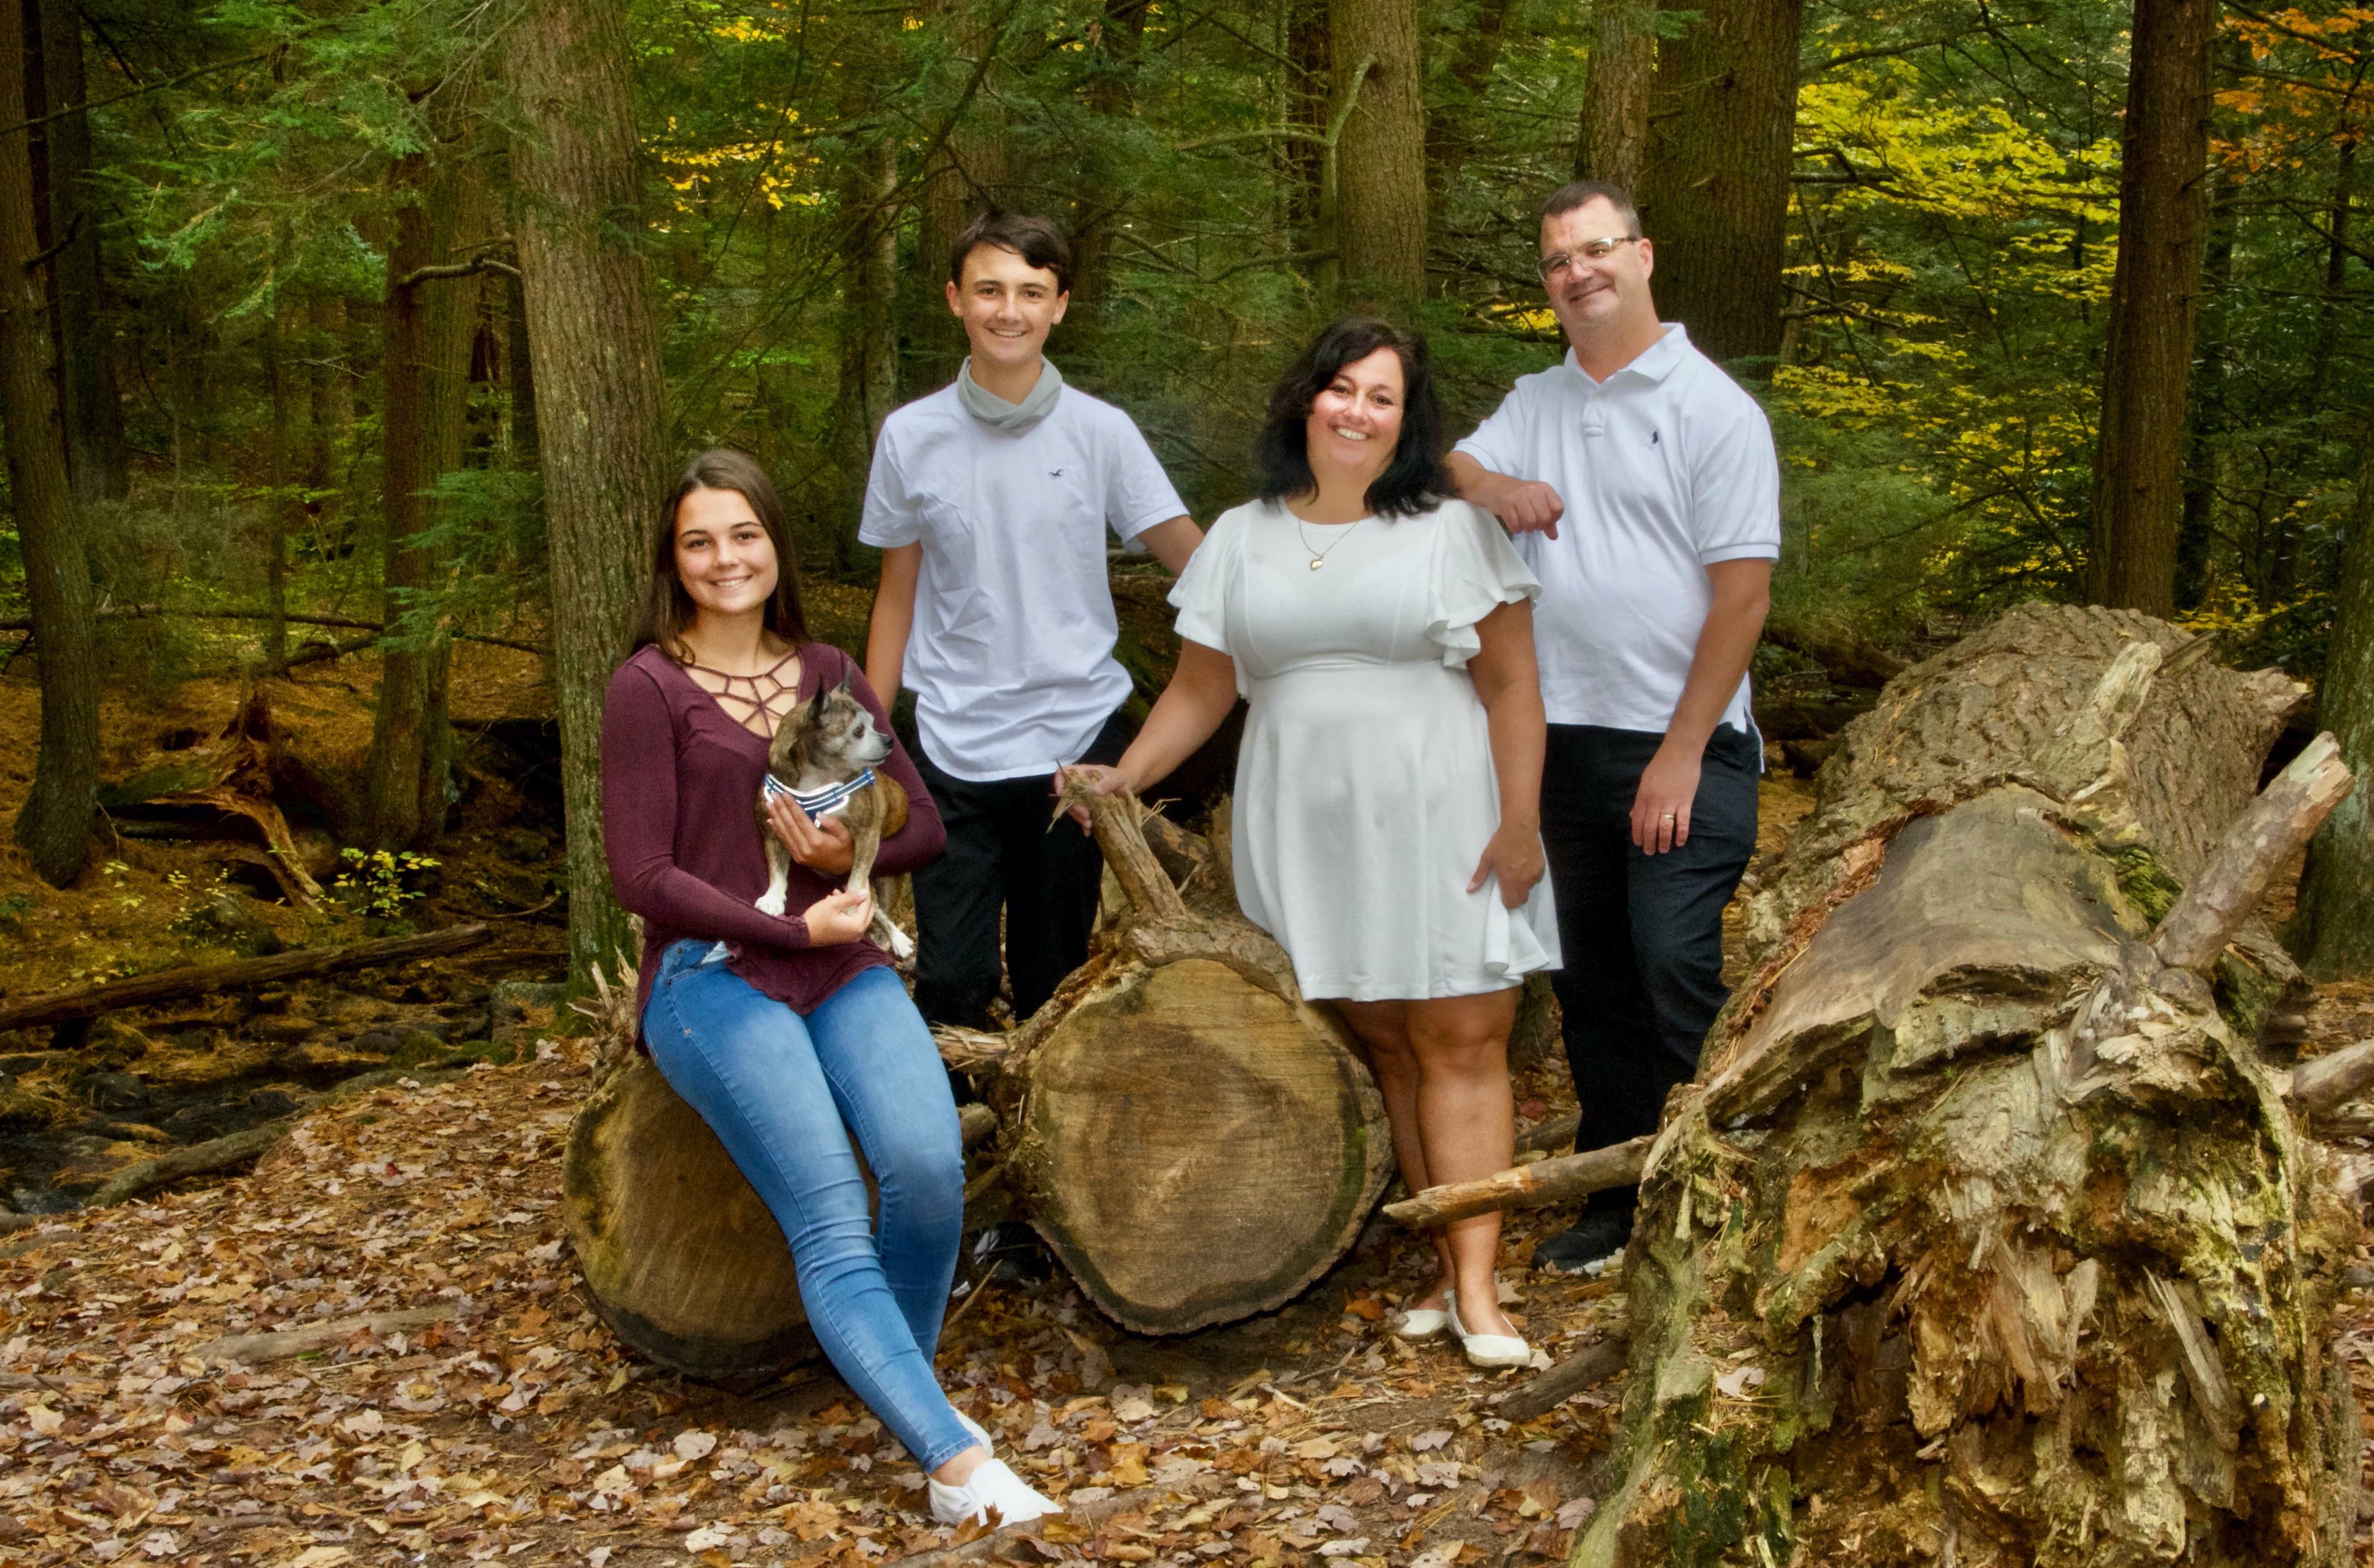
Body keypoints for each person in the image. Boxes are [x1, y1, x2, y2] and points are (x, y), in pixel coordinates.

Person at [1066, 320, 1557, 1367]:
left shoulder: (1453, 531)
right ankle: (1440, 1264)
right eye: (1341, 389)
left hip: (1443, 810)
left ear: (1406, 422)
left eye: (1381, 397)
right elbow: (1204, 687)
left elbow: (1513, 684)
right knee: (1385, 1040)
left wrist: (1521, 823)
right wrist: (1125, 777)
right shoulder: (1241, 536)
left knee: (1462, 1039)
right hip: (1304, 821)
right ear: (1307, 402)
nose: (1356, 412)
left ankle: (1480, 1288)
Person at [601, 450, 1059, 1528]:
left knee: (927, 1165)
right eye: (699, 540)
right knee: (830, 1212)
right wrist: (778, 917)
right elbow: (641, 873)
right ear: (673, 560)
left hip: (839, 961)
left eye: (744, 534)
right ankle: (953, 1460)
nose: (726, 558)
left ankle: (904, 1405)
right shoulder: (649, 685)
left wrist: (833, 861)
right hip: (711, 976)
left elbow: (928, 826)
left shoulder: (829, 672)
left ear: (775, 546)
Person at [1446, 180, 1779, 1274]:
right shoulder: (1536, 398)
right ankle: (1618, 1189)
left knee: (1672, 961)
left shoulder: (1710, 407)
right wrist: (1495, 484)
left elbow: (1741, 598)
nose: (1577, 273)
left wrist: (1680, 753)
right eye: (1556, 262)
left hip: (1683, 743)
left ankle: (1719, 1192)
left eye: (1595, 251)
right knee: (1587, 976)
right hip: (1559, 739)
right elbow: (1444, 462)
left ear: (1642, 256)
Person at [860, 210, 1203, 1031]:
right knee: (952, 980)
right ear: (955, 300)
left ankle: (1040, 1146)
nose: (1007, 310)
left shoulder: (1101, 433)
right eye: (989, 290)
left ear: (1060, 306)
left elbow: (1195, 560)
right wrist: (871, 746)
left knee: (1056, 978)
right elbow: (897, 594)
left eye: (1030, 292)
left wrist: (1300, 577)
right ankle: (955, 1146)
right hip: (952, 746)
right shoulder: (911, 436)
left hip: (1074, 749)